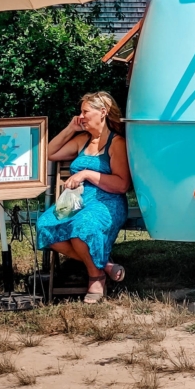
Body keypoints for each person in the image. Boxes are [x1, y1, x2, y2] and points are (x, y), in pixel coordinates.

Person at [36, 92, 131, 303]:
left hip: (107, 201)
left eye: (85, 112)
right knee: (45, 225)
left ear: (103, 112)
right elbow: (48, 153)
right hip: (76, 201)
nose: (81, 116)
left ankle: (95, 278)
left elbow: (122, 184)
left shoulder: (116, 144)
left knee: (83, 227)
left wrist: (86, 174)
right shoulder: (82, 140)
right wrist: (71, 128)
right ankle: (104, 264)